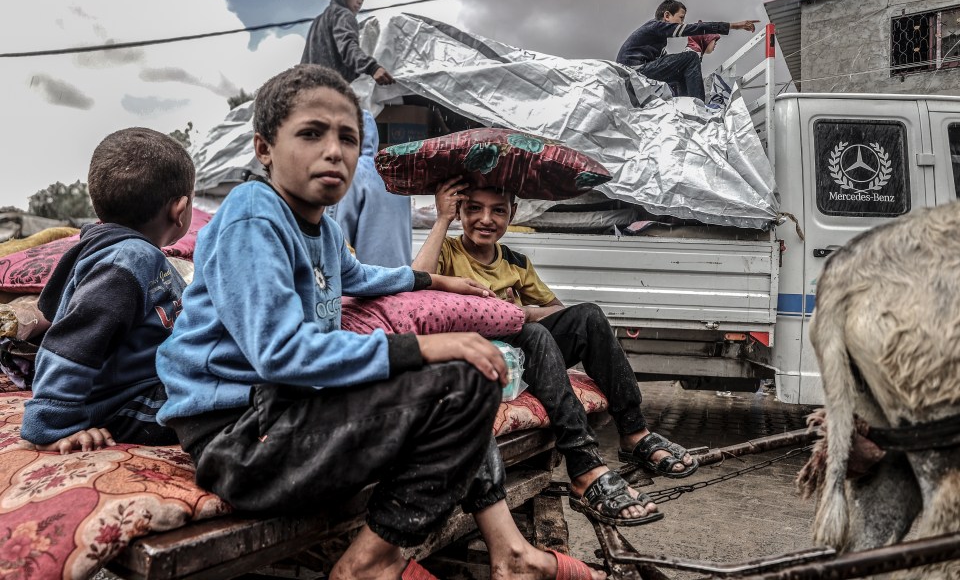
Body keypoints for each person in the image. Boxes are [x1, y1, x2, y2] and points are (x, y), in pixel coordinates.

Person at [155, 64, 602, 580]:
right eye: (311, 133)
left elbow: (358, 274)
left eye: (348, 137)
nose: (335, 151)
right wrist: (423, 347)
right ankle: (371, 565)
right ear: (264, 148)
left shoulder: (317, 226)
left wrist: (434, 283)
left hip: (285, 414)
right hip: (241, 440)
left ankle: (509, 553)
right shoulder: (254, 216)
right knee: (456, 379)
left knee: (463, 381)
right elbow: (280, 353)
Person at [413, 180, 702, 527]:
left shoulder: (516, 262)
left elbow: (557, 312)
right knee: (533, 334)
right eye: (473, 208)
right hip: (476, 356)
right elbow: (414, 283)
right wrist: (441, 220)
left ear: (512, 213)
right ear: (460, 211)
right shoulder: (447, 251)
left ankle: (634, 431)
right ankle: (583, 463)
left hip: (524, 351)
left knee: (589, 316)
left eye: (498, 210)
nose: (485, 219)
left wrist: (521, 312)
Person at [19, 127, 195, 454]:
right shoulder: (129, 260)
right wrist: (53, 422)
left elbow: (55, 311)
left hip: (144, 386)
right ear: (180, 209)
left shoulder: (108, 251)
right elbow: (72, 339)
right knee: (223, 399)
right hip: (127, 400)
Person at [615, 0, 757, 101]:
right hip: (633, 71)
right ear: (667, 16)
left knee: (681, 70)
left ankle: (685, 105)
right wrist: (733, 26)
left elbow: (670, 64)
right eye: (681, 18)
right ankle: (698, 105)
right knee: (690, 58)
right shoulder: (655, 26)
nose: (682, 22)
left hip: (635, 72)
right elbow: (694, 28)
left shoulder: (657, 40)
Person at [326, 109, 412, 267]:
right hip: (400, 279)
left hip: (366, 282)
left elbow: (336, 239)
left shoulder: (352, 172)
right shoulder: (395, 172)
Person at [301, 0, 395, 86]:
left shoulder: (319, 20)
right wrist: (372, 67)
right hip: (330, 90)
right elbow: (347, 46)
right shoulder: (343, 14)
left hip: (308, 88)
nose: (360, 1)